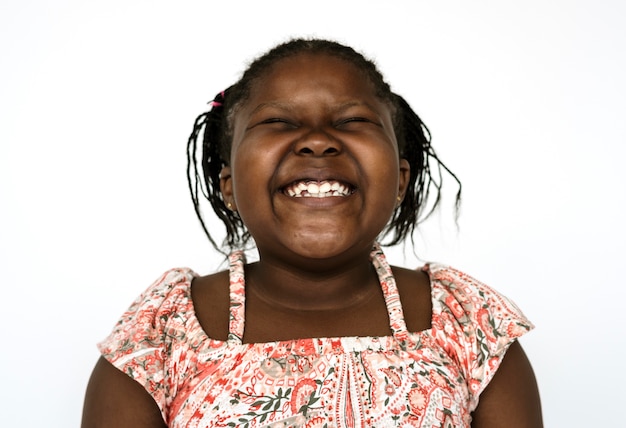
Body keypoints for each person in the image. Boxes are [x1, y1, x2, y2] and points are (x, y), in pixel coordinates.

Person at [82, 39, 543, 427]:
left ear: (401, 180)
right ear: (229, 186)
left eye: (352, 121)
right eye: (278, 122)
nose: (318, 140)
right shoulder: (161, 334)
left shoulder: (468, 323)